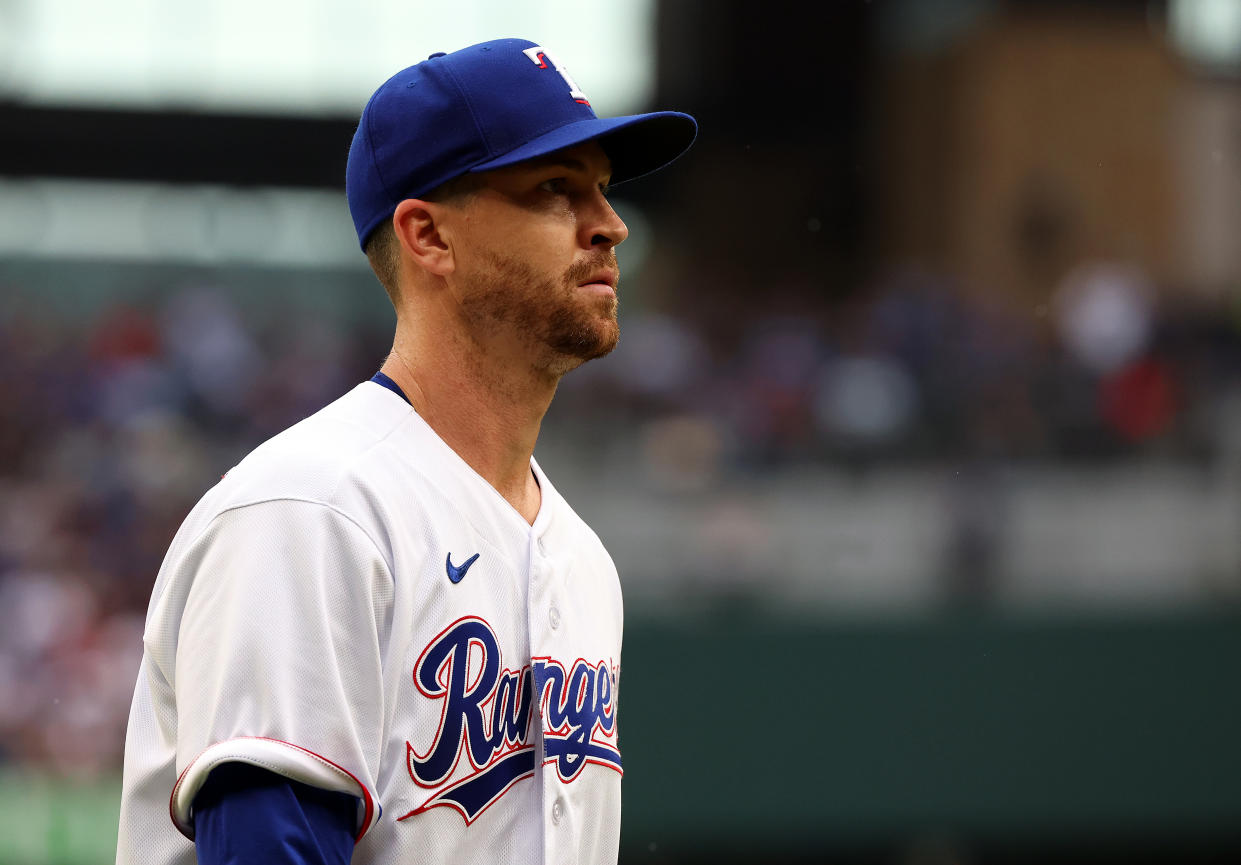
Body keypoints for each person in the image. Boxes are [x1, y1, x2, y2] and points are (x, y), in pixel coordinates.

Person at [115, 37, 696, 865]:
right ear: (427, 236)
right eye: (556, 189)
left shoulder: (584, 561)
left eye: (601, 190)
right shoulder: (313, 512)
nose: (609, 225)